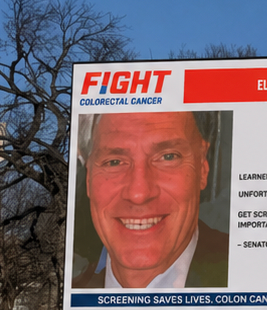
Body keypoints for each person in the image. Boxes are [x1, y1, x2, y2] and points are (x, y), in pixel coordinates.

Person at [73, 112, 229, 289]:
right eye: (114, 162)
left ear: (202, 167)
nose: (138, 194)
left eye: (168, 157)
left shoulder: (247, 269)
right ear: (88, 179)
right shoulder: (70, 292)